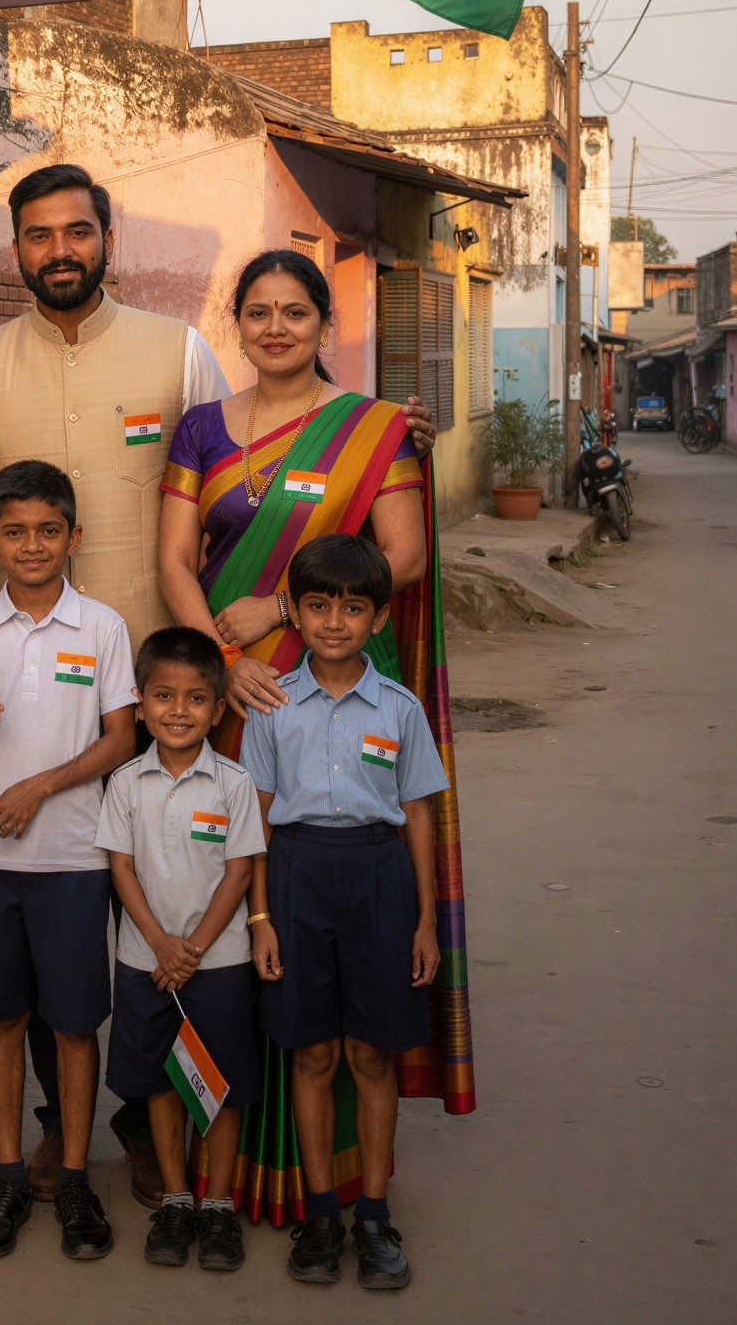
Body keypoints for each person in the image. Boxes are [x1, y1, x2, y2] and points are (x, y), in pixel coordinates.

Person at [0, 164, 435, 1204]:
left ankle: (180, 1128)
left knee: (182, 887)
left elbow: (257, 468)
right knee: (62, 902)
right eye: (39, 236)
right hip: (44, 682)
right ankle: (62, 1127)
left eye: (79, 231)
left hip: (182, 684)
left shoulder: (178, 352)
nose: (61, 250)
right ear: (17, 250)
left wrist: (390, 440)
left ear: (107, 239)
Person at [156, 246, 472, 1230]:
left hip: (312, 686)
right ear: (237, 324)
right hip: (229, 700)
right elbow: (174, 560)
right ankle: (218, 1169)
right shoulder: (201, 430)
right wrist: (222, 657)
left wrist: (278, 621)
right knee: (220, 902)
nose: (278, 327)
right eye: (259, 312)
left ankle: (338, 1189)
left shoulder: (372, 430)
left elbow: (403, 556)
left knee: (312, 915)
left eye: (297, 311)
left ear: (324, 323)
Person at [0, 459, 138, 1262]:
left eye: (48, 531)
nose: (31, 546)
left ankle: (79, 1176)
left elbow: (121, 736)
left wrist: (41, 786)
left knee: (76, 1021)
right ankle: (10, 1174)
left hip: (72, 856)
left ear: (74, 538)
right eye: (13, 532)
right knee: (2, 1018)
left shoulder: (103, 628)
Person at [242, 535, 449, 1292]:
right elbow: (254, 823)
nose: (334, 622)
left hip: (377, 876)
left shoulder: (399, 709)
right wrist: (260, 917)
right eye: (319, 605)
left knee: (370, 1054)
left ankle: (372, 1213)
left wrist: (426, 921)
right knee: (312, 1055)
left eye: (353, 607)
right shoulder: (271, 705)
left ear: (379, 619)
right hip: (296, 875)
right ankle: (321, 1215)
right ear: (294, 611)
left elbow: (419, 816)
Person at [96, 626, 267, 1275]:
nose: (177, 710)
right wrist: (162, 945)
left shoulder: (232, 783)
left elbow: (240, 872)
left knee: (216, 1085)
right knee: (166, 1082)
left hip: (218, 963)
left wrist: (192, 947)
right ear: (138, 705)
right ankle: (175, 1197)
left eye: (196, 699)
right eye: (163, 696)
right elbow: (121, 870)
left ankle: (217, 1204)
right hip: (146, 963)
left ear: (218, 710)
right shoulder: (126, 785)